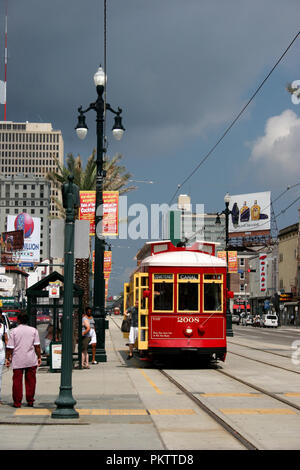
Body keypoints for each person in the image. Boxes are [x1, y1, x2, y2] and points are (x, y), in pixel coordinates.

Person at [5, 312, 41, 408]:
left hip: (18, 359)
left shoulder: (14, 331)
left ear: (18, 320)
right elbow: (37, 346)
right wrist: (39, 357)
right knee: (31, 381)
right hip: (30, 359)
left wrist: (7, 358)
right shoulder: (34, 330)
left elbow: (10, 347)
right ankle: (30, 400)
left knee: (17, 382)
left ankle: (17, 402)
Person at [0, 310, 8, 404]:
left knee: (0, 375)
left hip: (1, 353)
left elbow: (6, 340)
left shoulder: (3, 327)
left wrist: (8, 356)